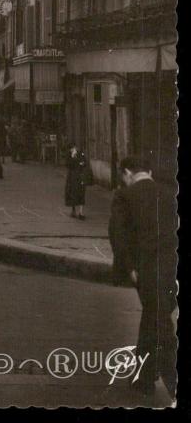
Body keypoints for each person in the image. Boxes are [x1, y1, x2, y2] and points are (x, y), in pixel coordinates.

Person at [109, 157, 177, 399]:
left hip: (145, 269)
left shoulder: (124, 196)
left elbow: (118, 235)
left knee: (159, 323)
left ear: (127, 173)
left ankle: (171, 379)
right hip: (171, 267)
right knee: (155, 317)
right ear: (148, 171)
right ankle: (144, 376)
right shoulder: (169, 194)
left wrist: (129, 268)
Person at [64, 145, 88, 219]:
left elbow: (84, 163)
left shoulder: (81, 153)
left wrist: (80, 163)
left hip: (80, 176)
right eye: (73, 148)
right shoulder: (69, 154)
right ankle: (73, 210)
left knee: (81, 192)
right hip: (72, 177)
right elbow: (68, 164)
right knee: (72, 193)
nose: (74, 149)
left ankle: (80, 212)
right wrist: (73, 157)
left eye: (75, 148)